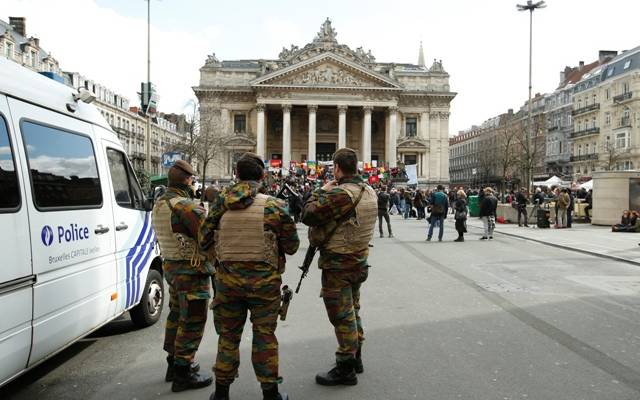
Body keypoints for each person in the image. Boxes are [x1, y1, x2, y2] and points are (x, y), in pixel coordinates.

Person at [200, 153, 300, 400]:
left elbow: (203, 239)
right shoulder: (274, 206)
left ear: (236, 175)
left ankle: (221, 393)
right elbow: (292, 245)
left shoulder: (220, 204)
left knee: (228, 337)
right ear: (263, 176)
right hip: (264, 285)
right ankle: (270, 393)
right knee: (264, 336)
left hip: (227, 282)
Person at [301, 148, 377, 387]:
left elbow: (308, 214)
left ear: (336, 168)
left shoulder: (339, 194)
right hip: (359, 260)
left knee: (341, 315)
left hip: (339, 264)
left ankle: (345, 367)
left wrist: (320, 190)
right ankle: (357, 357)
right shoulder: (370, 190)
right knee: (353, 309)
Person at [151, 160, 214, 393]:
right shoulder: (186, 207)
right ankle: (183, 373)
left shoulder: (160, 203)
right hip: (191, 271)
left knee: (176, 316)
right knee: (193, 319)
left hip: (172, 268)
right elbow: (207, 238)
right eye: (192, 179)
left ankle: (174, 363)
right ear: (187, 181)